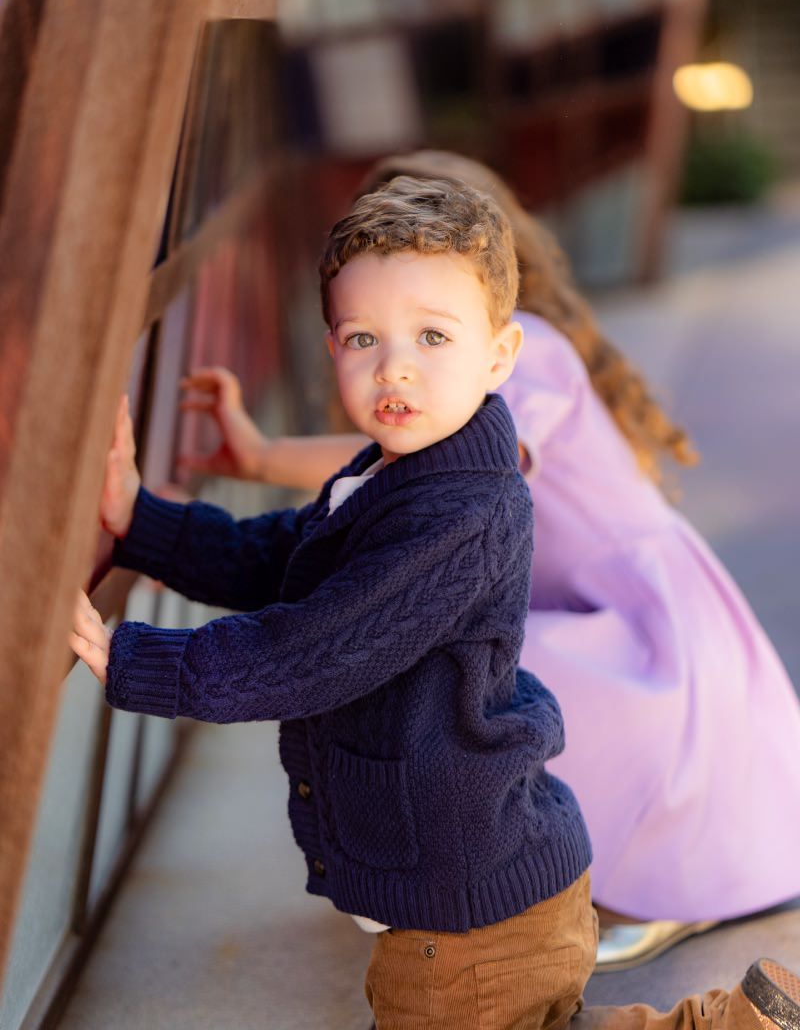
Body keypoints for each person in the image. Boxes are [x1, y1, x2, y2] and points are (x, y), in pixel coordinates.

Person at [71, 176, 800, 1029]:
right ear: (331, 348)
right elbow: (285, 557)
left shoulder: (461, 513)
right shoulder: (398, 471)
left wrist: (139, 660)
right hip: (483, 886)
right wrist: (144, 523)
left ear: (500, 355)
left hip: (466, 918)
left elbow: (315, 649)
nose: (396, 366)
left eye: (432, 336)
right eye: (363, 338)